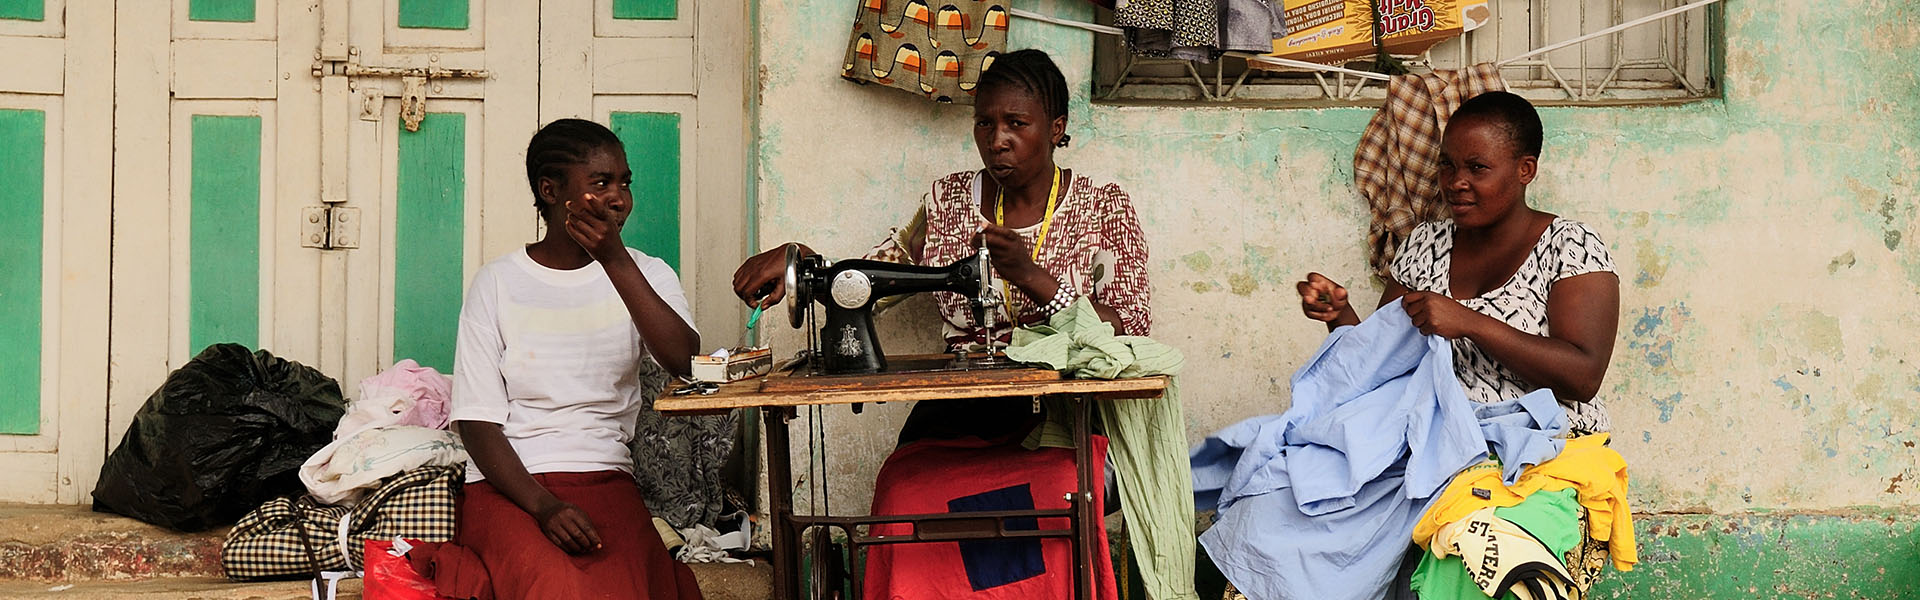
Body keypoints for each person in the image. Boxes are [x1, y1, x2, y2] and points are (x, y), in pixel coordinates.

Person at [732, 49, 1153, 598]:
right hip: (957, 415)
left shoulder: (1104, 207)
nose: (996, 138)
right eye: (984, 122)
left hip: (1064, 418)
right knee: (903, 495)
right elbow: (876, 280)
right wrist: (808, 265)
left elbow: (1130, 330)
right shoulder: (948, 200)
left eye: (1016, 124)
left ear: (1056, 128)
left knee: (1054, 496)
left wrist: (1035, 279)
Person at [447, 118, 704, 599]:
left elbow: (686, 363)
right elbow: (477, 423)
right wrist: (544, 507)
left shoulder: (647, 273)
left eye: (625, 183)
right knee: (555, 585)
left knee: (632, 585)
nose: (619, 198)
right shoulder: (498, 282)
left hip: (605, 475)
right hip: (511, 486)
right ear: (550, 191)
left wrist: (614, 260)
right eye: (601, 183)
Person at [1297, 90, 1620, 435]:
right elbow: (1379, 363)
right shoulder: (1424, 245)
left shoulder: (1570, 246)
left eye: (1477, 168)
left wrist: (1470, 322)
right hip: (1438, 444)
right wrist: (1338, 316)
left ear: (1525, 170)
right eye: (1447, 164)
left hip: (1550, 445)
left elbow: (1583, 378)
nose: (1455, 182)